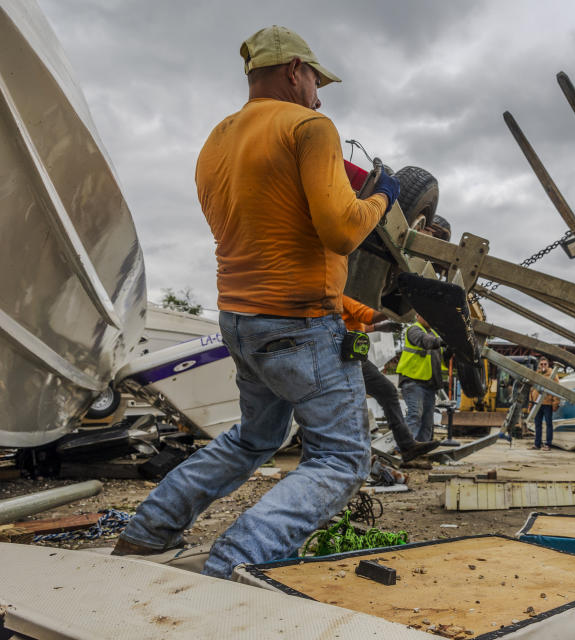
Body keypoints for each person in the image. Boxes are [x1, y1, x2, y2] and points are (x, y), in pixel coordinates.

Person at [112, 26, 400, 579]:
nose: (320, 93)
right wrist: (383, 193)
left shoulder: (216, 140)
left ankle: (146, 534)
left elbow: (266, 222)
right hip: (301, 322)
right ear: (295, 70)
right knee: (340, 459)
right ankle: (233, 567)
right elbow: (341, 231)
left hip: (240, 320)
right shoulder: (310, 126)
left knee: (256, 437)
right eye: (317, 79)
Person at [341, 296, 440, 462]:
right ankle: (406, 445)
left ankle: (406, 445)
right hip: (346, 356)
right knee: (383, 394)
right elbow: (370, 315)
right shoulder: (347, 294)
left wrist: (380, 327)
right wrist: (404, 306)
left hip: (350, 354)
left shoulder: (338, 295)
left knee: (382, 394)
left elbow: (353, 324)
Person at [396, 314, 444, 442]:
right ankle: (405, 447)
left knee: (427, 421)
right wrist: (445, 340)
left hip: (429, 384)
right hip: (413, 381)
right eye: (424, 314)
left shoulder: (434, 333)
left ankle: (422, 449)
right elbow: (426, 341)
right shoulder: (414, 330)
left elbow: (444, 356)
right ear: (417, 316)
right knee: (415, 415)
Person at [528, 356, 560, 450]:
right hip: (537, 404)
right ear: (539, 365)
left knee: (548, 424)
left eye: (545, 364)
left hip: (547, 403)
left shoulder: (552, 375)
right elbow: (532, 390)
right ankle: (537, 444)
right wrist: (530, 404)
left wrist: (555, 404)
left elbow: (557, 390)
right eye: (541, 364)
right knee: (537, 424)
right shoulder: (537, 375)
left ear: (548, 365)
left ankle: (548, 444)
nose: (543, 366)